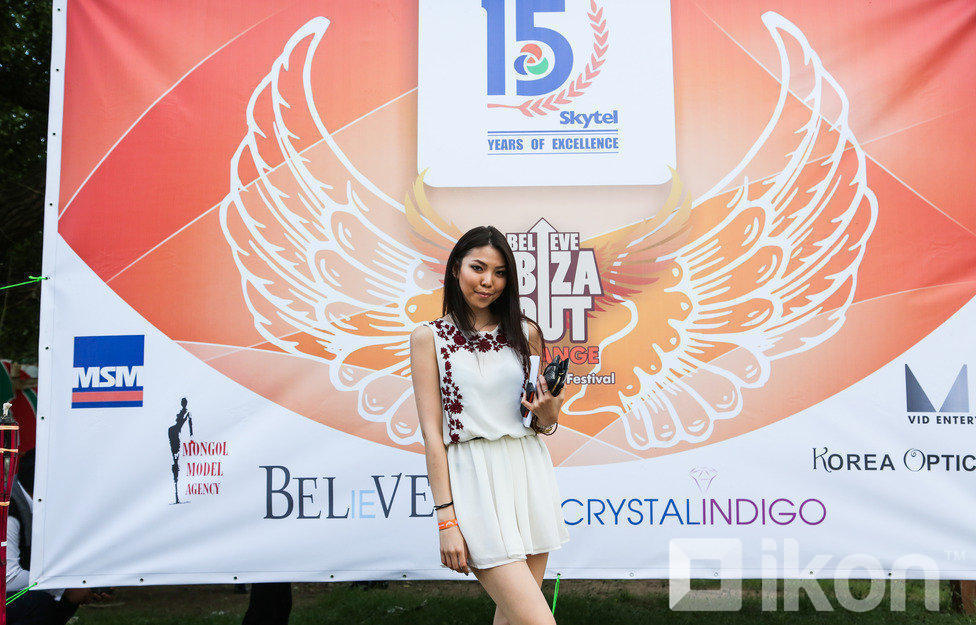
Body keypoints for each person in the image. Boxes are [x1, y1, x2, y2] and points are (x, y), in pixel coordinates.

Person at [409, 226, 570, 624]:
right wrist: (447, 520)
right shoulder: (429, 338)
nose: (488, 281)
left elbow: (537, 421)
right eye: (478, 268)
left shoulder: (526, 332)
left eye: (500, 273)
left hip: (527, 472)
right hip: (473, 480)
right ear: (455, 269)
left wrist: (549, 415)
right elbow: (432, 437)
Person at [6, 450, 109, 624]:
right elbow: (9, 578)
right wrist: (64, 587)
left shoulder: (36, 501)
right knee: (43, 600)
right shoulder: (9, 509)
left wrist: (90, 579)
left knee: (61, 596)